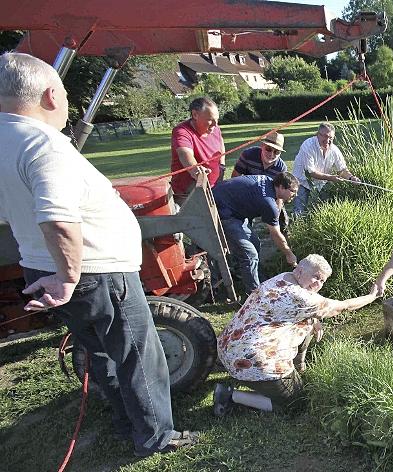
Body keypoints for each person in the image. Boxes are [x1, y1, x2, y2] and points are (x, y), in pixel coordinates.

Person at [0, 52, 198, 457]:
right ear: (51, 95)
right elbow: (57, 218)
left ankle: (126, 420)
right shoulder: (42, 143)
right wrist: (68, 275)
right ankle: (156, 436)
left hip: (42, 264)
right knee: (139, 353)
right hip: (93, 270)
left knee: (99, 348)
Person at [213, 254, 377, 415]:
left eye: (322, 281)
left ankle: (298, 367)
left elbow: (299, 310)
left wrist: (314, 318)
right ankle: (229, 395)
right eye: (316, 277)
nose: (318, 284)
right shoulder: (302, 297)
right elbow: (344, 306)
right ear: (299, 271)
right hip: (251, 361)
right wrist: (371, 297)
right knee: (296, 403)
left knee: (309, 322)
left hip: (227, 347)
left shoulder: (284, 277)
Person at [213, 172, 300, 294]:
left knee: (255, 243)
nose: (295, 195)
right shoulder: (268, 202)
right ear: (281, 187)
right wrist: (289, 254)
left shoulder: (269, 181)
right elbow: (275, 234)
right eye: (293, 191)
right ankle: (254, 295)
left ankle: (259, 280)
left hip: (234, 212)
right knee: (250, 254)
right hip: (222, 212)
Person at [291, 122, 360, 216]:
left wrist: (352, 178)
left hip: (321, 183)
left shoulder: (334, 150)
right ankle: (295, 227)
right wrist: (331, 178)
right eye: (325, 136)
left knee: (321, 211)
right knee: (299, 211)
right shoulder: (308, 145)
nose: (327, 140)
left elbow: (342, 170)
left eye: (330, 138)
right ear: (317, 135)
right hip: (301, 181)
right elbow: (311, 172)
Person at [171, 96, 225, 201]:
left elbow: (220, 143)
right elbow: (184, 154)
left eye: (217, 120)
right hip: (190, 192)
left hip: (215, 186)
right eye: (210, 120)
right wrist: (196, 169)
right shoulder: (182, 131)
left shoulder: (215, 129)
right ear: (195, 114)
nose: (215, 124)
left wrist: (222, 166)